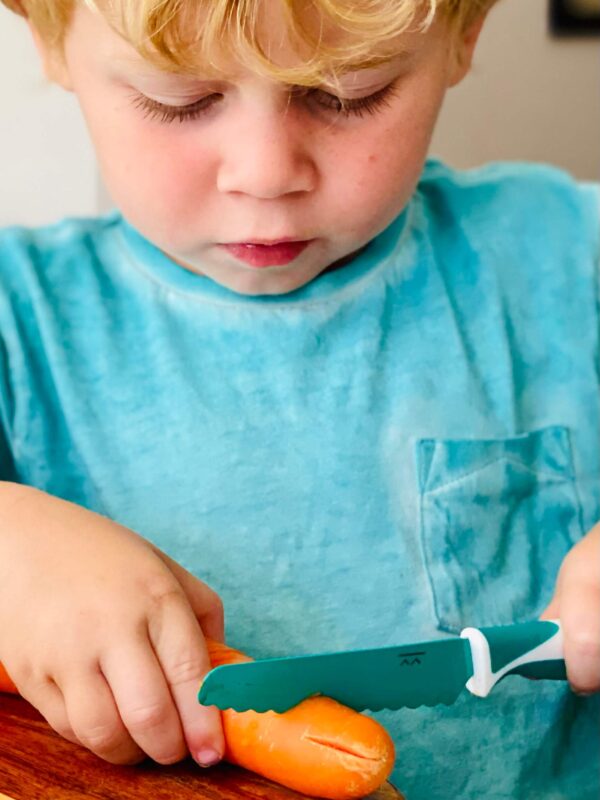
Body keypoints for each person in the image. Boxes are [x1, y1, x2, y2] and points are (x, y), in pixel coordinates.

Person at [0, 0, 598, 797]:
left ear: (463, 37)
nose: (266, 173)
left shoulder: (566, 252)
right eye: (180, 101)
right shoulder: (20, 317)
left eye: (349, 94)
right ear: (49, 41)